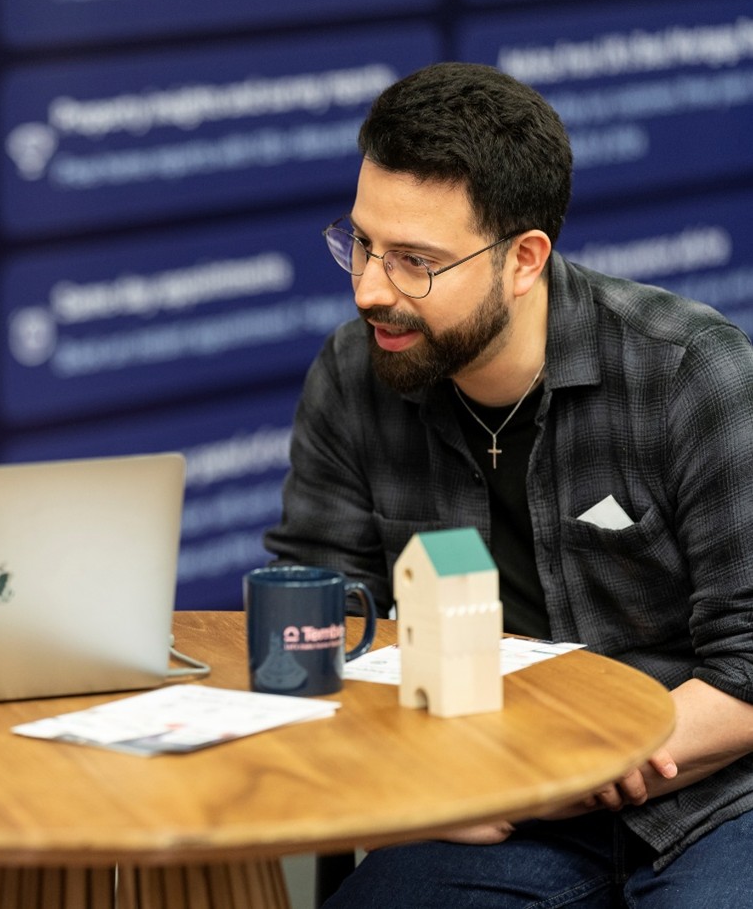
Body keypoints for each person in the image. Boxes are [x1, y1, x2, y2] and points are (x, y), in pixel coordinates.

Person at [264, 62, 753, 906]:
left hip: (710, 794)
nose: (370, 289)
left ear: (523, 259)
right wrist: (426, 777)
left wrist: (568, 763)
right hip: (488, 802)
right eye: (361, 243)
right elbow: (319, 622)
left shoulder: (688, 372)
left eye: (415, 261)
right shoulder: (352, 375)